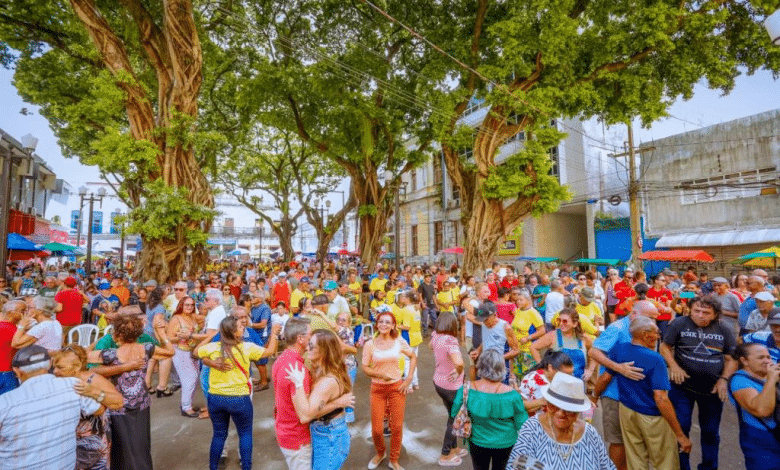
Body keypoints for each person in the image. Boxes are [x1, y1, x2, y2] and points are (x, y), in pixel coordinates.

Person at [594, 316, 691, 470]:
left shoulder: (620, 349)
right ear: (646, 334)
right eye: (656, 332)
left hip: (627, 411)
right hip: (651, 416)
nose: (658, 336)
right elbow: (661, 398)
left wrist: (595, 395)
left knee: (635, 459)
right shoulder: (656, 359)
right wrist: (680, 435)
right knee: (664, 461)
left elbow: (605, 377)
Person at [87, 314, 175, 470]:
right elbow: (170, 352)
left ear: (118, 334)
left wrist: (94, 343)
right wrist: (162, 334)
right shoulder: (147, 348)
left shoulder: (110, 354)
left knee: (121, 446)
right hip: (142, 403)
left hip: (118, 405)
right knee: (141, 443)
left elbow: (85, 361)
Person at [659, 296, 737, 470]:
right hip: (682, 387)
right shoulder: (679, 323)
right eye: (696, 311)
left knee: (710, 432)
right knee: (681, 427)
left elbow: (731, 358)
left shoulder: (724, 328)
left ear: (715, 314)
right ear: (690, 310)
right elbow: (664, 347)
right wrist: (674, 366)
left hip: (712, 390)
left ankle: (709, 467)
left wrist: (724, 380)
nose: (700, 315)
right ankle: (682, 466)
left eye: (706, 312)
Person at [196, 316, 280, 470]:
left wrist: (210, 357)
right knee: (245, 434)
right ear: (234, 333)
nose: (243, 328)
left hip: (216, 399)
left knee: (219, 435)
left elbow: (196, 352)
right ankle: (246, 466)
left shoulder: (213, 347)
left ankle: (213, 467)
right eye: (241, 327)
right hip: (239, 399)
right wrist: (274, 333)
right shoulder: (247, 348)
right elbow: (269, 351)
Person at [0, 345, 104, 470]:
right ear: (50, 363)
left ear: (17, 371)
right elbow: (98, 410)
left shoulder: (5, 403)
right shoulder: (72, 385)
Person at [272, 317, 352, 470]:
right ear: (300, 338)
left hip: (320, 434)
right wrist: (338, 403)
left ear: (323, 351)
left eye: (312, 345)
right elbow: (305, 415)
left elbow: (303, 413)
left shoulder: (283, 360)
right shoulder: (297, 369)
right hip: (303, 436)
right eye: (309, 338)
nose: (309, 346)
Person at [506, 372, 615, 470]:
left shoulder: (590, 433)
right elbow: (516, 464)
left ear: (578, 410)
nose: (560, 413)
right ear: (547, 403)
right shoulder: (532, 428)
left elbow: (606, 466)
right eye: (553, 406)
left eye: (568, 410)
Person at [451, 349, 527, 470]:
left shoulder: (466, 390)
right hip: (506, 442)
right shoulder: (512, 395)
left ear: (480, 366)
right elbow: (522, 424)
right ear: (502, 368)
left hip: (477, 440)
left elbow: (455, 412)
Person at [52, 344, 125, 470]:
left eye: (60, 367)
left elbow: (119, 402)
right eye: (54, 367)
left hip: (94, 443)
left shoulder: (92, 379)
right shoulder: (58, 381)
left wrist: (94, 392)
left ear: (77, 366)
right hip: (68, 443)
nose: (55, 372)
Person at [362, 311, 417, 470]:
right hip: (377, 389)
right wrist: (380, 375)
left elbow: (413, 356)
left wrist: (409, 379)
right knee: (377, 430)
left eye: (388, 322)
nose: (384, 324)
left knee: (397, 427)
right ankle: (380, 453)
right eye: (381, 321)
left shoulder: (399, 340)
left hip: (396, 388)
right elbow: (365, 368)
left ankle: (394, 459)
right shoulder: (370, 344)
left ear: (393, 325)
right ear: (377, 324)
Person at [728, 343, 780, 469]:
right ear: (744, 361)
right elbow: (762, 410)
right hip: (761, 441)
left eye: (768, 357)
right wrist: (771, 379)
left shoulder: (769, 375)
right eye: (761, 358)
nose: (767, 361)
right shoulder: (739, 380)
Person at [429, 311, 466, 466]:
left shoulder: (435, 335)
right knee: (454, 419)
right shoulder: (450, 341)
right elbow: (459, 362)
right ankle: (444, 455)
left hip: (439, 382)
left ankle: (454, 448)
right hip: (451, 387)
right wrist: (459, 369)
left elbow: (430, 347)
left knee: (452, 414)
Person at [167, 295, 207, 417]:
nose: (189, 307)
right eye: (187, 305)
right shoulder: (176, 319)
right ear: (181, 306)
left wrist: (200, 325)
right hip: (180, 352)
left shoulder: (193, 316)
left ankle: (187, 403)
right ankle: (186, 408)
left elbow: (203, 318)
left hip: (193, 351)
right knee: (189, 379)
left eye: (192, 305)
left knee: (194, 378)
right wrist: (180, 337)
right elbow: (169, 338)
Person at [530, 308, 595, 382]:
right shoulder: (552, 336)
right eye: (559, 320)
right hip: (557, 383)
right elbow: (533, 347)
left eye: (565, 321)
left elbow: (594, 353)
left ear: (575, 324)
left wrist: (590, 370)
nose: (561, 323)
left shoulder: (584, 338)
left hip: (578, 383)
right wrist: (543, 367)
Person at [517, 350, 574, 416]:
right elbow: (520, 405)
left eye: (570, 374)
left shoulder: (555, 379)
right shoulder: (535, 380)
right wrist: (542, 401)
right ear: (550, 368)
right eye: (564, 374)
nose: (568, 378)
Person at [510, 290, 546, 380]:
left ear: (528, 300)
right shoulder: (518, 311)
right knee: (518, 376)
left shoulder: (533, 313)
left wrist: (528, 338)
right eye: (517, 300)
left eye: (521, 300)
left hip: (528, 350)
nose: (518, 302)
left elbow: (542, 331)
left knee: (527, 376)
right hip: (516, 349)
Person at [0, 300, 24, 395]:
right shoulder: (11, 329)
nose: (24, 314)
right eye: (22, 311)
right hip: (7, 372)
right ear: (11, 312)